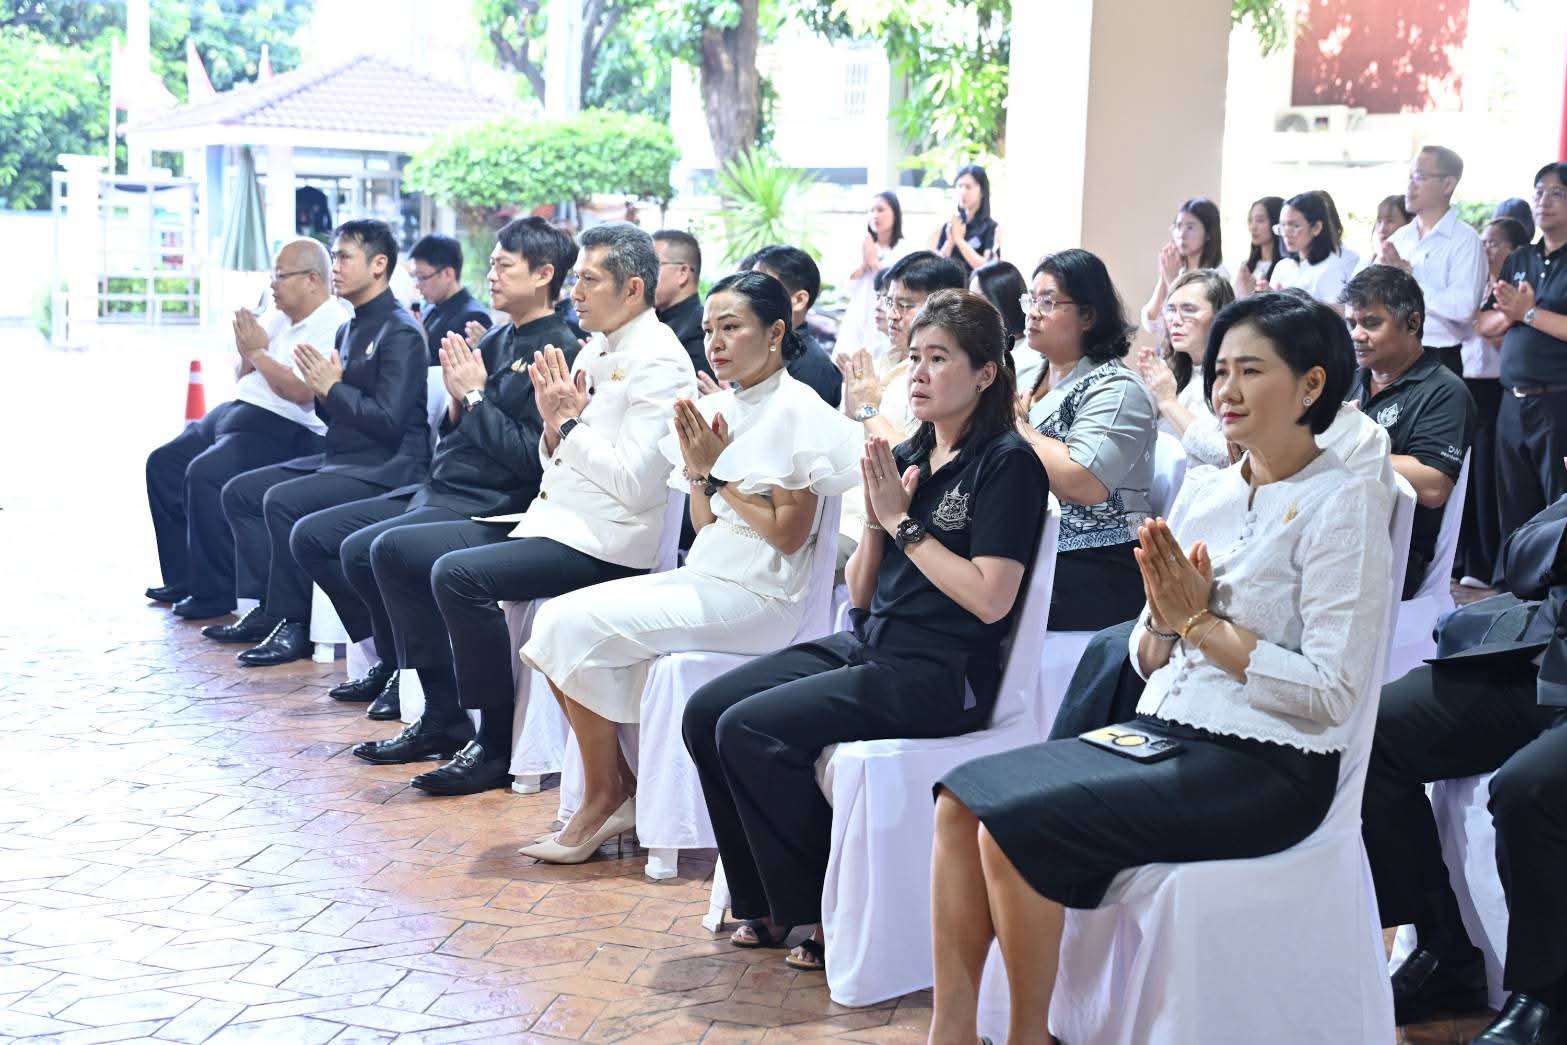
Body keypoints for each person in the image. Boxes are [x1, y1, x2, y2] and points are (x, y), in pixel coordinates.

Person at [928, 291, 1392, 1045]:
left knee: (1016, 825)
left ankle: (1026, 1036)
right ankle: (950, 1032)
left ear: (1312, 384)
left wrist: (1203, 625)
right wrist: (1168, 624)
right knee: (960, 801)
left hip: (1269, 763)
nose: (1226, 390)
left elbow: (1331, 694)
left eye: (1251, 371)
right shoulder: (1209, 491)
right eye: (1220, 371)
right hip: (1167, 729)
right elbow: (1146, 657)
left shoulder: (1345, 502)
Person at [682, 288, 1048, 972]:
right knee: (705, 712)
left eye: (938, 358)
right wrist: (878, 523)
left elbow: (991, 599)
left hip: (942, 672)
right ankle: (766, 900)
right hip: (873, 641)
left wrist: (903, 523)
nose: (918, 373)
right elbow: (859, 591)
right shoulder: (909, 451)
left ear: (985, 373)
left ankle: (819, 906)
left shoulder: (1007, 462)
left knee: (750, 729)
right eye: (915, 356)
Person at [516, 272, 862, 863]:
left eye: (731, 327)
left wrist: (718, 473)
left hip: (763, 598)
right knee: (554, 621)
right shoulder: (717, 407)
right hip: (708, 574)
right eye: (708, 330)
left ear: (775, 331)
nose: (715, 343)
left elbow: (788, 536)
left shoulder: (796, 410)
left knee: (565, 625)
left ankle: (608, 795)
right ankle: (616, 789)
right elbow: (704, 524)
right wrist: (704, 474)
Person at [351, 222, 696, 795]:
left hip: (607, 539)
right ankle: (442, 714)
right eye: (576, 278)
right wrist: (556, 427)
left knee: (458, 575)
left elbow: (636, 486)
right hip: (556, 520)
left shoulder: (659, 361)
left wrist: (565, 424)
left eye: (589, 280)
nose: (575, 292)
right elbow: (552, 456)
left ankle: (494, 743)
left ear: (633, 288)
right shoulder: (598, 346)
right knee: (397, 552)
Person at [289, 218, 580, 720]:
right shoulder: (495, 340)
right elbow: (454, 435)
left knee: (383, 549)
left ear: (543, 274)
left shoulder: (560, 351)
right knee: (326, 540)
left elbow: (530, 458)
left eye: (504, 266)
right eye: (492, 264)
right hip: (441, 487)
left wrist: (474, 396)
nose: (491, 275)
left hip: (492, 504)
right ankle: (400, 669)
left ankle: (441, 708)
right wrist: (458, 403)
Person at [1363, 495, 1567, 1044]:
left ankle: (1543, 999)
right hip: (1542, 664)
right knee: (1372, 735)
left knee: (1527, 788)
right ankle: (1443, 948)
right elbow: (1518, 560)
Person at [205, 220, 430, 667]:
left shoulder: (400, 331)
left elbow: (390, 422)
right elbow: (333, 414)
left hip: (389, 466)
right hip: (343, 457)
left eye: (345, 257)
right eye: (335, 256)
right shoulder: (350, 330)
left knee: (282, 501)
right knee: (241, 493)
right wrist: (327, 393)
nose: (335, 267)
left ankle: (294, 625)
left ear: (379, 265)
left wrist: (332, 388)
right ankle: (270, 606)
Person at [145, 239, 347, 619]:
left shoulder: (333, 323)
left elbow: (302, 391)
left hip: (286, 425)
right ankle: (182, 577)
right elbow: (244, 374)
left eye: (281, 276)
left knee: (205, 475)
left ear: (311, 279)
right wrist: (247, 350)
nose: (273, 284)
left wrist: (257, 352)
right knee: (164, 463)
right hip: (238, 409)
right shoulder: (278, 315)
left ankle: (214, 591)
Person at [1018, 249, 1158, 631]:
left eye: (1048, 302)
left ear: (1089, 316)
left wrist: (1015, 426)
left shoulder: (1117, 387)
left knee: (974, 588)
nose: (1033, 312)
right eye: (1031, 300)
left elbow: (1084, 481)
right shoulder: (1027, 374)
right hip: (1031, 545)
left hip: (1097, 562)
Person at [1342, 265, 1476, 598]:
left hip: (1393, 552)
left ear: (1412, 323)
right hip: (1334, 529)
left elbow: (1433, 484)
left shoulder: (1444, 391)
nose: (1357, 334)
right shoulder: (1348, 379)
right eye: (1352, 323)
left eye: (1371, 323)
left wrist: (1351, 444)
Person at [1481, 161, 1567, 574]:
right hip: (1512, 400)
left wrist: (1528, 314)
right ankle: (1513, 588)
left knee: (1558, 503)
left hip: (1558, 401)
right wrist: (1514, 314)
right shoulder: (1521, 257)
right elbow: (1484, 323)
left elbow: (1525, 316)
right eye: (1539, 193)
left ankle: (1556, 590)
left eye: (1556, 193)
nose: (1544, 201)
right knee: (1514, 500)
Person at [1457, 215, 1533, 588]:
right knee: (1466, 477)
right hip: (1465, 383)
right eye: (1484, 241)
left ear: (1514, 250)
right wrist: (1489, 320)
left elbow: (1494, 331)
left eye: (1495, 243)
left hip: (1495, 388)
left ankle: (1490, 563)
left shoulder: (1519, 289)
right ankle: (1464, 559)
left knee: (1490, 479)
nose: (1487, 249)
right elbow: (1474, 323)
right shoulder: (1476, 283)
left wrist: (1490, 320)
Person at [1373, 147, 1490, 380]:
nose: (1410, 185)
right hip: (1393, 351)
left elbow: (1464, 308)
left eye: (1419, 177)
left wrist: (1409, 280)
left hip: (1439, 355)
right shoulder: (1400, 238)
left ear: (1448, 184)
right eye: (1409, 177)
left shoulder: (1465, 240)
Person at [838, 251, 966, 447]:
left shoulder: (945, 375)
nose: (892, 314)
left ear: (944, 307)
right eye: (890, 302)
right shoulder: (881, 359)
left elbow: (921, 456)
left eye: (905, 305)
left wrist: (867, 409)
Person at [1135, 269, 1235, 467]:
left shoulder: (1232, 378)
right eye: (1171, 310)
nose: (1176, 320)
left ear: (1219, 316)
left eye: (1189, 310)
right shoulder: (1174, 371)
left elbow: (1228, 456)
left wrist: (1168, 401)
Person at [747, 245, 842, 408]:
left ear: (799, 300)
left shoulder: (813, 366)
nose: (747, 296)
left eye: (761, 287)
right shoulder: (758, 347)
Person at [837, 191, 911, 357]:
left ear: (895, 214)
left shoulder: (904, 248)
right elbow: (846, 288)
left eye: (881, 210)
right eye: (871, 210)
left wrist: (874, 263)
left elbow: (901, 286)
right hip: (859, 310)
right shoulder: (863, 244)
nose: (875, 215)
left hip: (885, 312)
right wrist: (864, 265)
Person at [1139, 197, 1225, 334]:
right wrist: (1164, 276)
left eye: (1190, 227)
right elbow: (1151, 323)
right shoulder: (1178, 270)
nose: (1181, 234)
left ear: (1208, 233)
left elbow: (1192, 324)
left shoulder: (1218, 276)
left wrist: (1172, 280)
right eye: (1178, 226)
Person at [409, 234, 491, 366]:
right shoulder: (427, 306)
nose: (417, 285)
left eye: (422, 277)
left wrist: (421, 341)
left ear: (448, 274)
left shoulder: (473, 318)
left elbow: (458, 373)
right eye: (414, 277)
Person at [1268, 191, 1353, 311]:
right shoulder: (1282, 266)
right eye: (1282, 225)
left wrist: (1292, 302)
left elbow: (1343, 312)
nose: (1286, 233)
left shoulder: (1336, 265)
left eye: (1294, 226)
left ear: (1316, 227)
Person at [970, 260, 1041, 393]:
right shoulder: (983, 348)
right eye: (970, 300)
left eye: (979, 300)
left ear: (1005, 300)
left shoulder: (1030, 357)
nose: (971, 309)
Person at [929, 164, 1001, 278]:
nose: (962, 191)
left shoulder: (991, 227)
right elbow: (935, 266)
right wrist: (950, 242)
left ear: (982, 191)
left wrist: (960, 240)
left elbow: (987, 267)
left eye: (968, 187)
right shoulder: (951, 225)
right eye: (959, 186)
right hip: (948, 286)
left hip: (974, 287)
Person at [653, 229, 707, 376]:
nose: (643, 275)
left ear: (683, 273)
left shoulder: (701, 329)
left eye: (652, 266)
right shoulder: (652, 320)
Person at [1233, 195, 1285, 298]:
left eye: (1260, 220)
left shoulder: (1285, 267)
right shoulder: (1247, 266)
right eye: (1250, 220)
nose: (1252, 227)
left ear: (1276, 222)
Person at [1353, 194, 1414, 275]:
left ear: (1409, 223)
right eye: (1379, 221)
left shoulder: (1414, 260)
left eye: (1390, 221)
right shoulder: (1368, 260)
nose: (1382, 229)